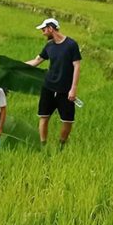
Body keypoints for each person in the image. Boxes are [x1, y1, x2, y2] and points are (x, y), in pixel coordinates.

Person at [25, 17, 82, 148]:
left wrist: (73, 88)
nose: (43, 32)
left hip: (65, 89)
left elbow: (77, 66)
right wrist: (17, 65)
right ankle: (43, 145)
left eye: (44, 29)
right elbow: (36, 61)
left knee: (67, 120)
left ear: (51, 28)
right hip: (48, 87)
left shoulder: (71, 45)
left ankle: (61, 145)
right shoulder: (49, 46)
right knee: (44, 117)